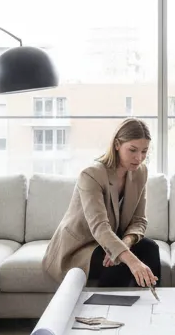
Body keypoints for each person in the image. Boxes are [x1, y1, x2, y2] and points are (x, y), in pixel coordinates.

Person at [43, 118, 161, 289]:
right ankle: (105, 305)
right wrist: (131, 260)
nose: (139, 158)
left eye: (144, 151)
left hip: (111, 241)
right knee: (120, 262)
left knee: (150, 249)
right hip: (81, 247)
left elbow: (139, 220)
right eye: (133, 150)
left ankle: (149, 303)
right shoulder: (91, 175)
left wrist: (125, 243)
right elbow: (99, 227)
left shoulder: (140, 172)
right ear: (117, 145)